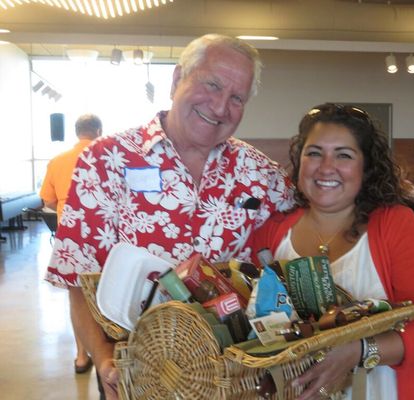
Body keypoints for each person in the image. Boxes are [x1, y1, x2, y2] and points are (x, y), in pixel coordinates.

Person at [45, 34, 294, 400]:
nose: (221, 106)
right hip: (137, 372)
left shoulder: (260, 174)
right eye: (212, 84)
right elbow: (77, 278)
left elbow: (314, 223)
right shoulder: (106, 161)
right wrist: (102, 359)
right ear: (177, 80)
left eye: (237, 98)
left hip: (232, 379)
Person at [252, 103, 414, 400]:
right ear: (300, 160)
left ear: (366, 167)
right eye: (314, 153)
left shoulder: (401, 228)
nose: (326, 166)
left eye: (343, 155)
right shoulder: (272, 232)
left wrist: (359, 351)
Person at [40, 113, 103, 374]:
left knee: (77, 296)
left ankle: (81, 356)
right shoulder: (104, 154)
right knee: (103, 293)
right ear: (98, 130)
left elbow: (49, 200)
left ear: (76, 132)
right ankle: (107, 349)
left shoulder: (58, 161)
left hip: (71, 235)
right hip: (103, 233)